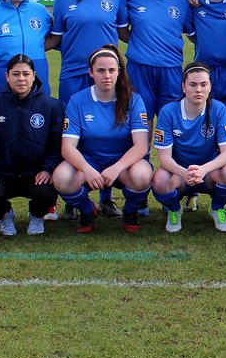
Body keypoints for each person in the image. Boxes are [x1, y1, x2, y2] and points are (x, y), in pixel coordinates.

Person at [47, 0, 129, 218]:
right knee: (74, 136)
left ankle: (107, 197)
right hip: (72, 75)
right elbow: (55, 38)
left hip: (107, 76)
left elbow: (126, 33)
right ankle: (74, 199)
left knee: (109, 133)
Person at [51, 46, 153, 233]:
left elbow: (141, 145)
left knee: (143, 176)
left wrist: (117, 167)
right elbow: (67, 147)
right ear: (91, 73)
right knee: (61, 178)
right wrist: (87, 169)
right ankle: (88, 210)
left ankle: (130, 211)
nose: (107, 75)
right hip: (90, 162)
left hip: (123, 163)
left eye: (112, 70)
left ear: (119, 72)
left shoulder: (133, 100)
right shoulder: (77, 101)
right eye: (101, 70)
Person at [0, 55, 63, 236]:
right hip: (2, 173)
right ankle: (6, 214)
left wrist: (48, 169)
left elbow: (56, 145)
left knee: (47, 192)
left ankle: (37, 215)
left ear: (34, 76)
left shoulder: (52, 106)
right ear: (7, 76)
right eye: (16, 74)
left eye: (26, 74)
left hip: (36, 175)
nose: (21, 78)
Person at [150, 62, 226, 233]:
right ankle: (174, 209)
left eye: (203, 84)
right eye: (193, 84)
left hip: (209, 174)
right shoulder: (168, 111)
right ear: (183, 87)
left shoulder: (219, 109)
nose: (198, 89)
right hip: (180, 174)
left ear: (210, 86)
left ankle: (217, 208)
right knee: (160, 180)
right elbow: (164, 158)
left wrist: (203, 170)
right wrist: (185, 172)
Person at [123, 0, 189, 120]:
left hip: (171, 69)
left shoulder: (182, 3)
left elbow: (194, 35)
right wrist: (141, 42)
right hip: (139, 69)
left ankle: (167, 150)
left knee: (171, 120)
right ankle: (144, 150)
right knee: (142, 119)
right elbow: (122, 31)